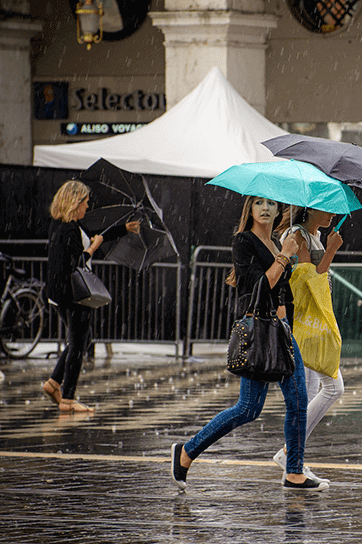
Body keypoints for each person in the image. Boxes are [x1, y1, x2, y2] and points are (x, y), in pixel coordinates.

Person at [171, 196, 329, 492]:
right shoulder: (244, 242)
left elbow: (283, 290)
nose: (266, 208)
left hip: (283, 333)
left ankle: (293, 472)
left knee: (297, 404)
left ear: (280, 209)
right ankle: (186, 451)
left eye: (271, 203)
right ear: (250, 210)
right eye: (259, 203)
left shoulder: (277, 243)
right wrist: (284, 257)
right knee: (248, 409)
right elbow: (259, 285)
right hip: (260, 332)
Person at [42, 180, 140, 412]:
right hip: (74, 294)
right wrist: (92, 249)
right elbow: (76, 261)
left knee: (82, 339)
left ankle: (53, 383)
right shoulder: (69, 229)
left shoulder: (64, 226)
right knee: (79, 343)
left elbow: (96, 236)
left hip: (61, 294)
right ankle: (67, 399)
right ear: (75, 203)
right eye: (85, 202)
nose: (87, 206)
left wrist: (123, 229)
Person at [272, 207, 344, 485]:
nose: (331, 216)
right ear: (309, 209)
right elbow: (308, 281)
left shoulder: (313, 236)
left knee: (317, 392)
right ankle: (291, 459)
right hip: (303, 326)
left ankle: (292, 458)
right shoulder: (297, 236)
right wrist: (331, 250)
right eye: (325, 210)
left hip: (314, 327)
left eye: (332, 211)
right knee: (330, 389)